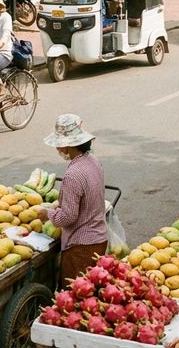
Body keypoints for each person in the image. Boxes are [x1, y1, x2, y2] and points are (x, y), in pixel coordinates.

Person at [35, 114, 107, 285]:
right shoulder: (93, 161)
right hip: (99, 238)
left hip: (81, 247)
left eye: (59, 145)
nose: (58, 149)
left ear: (67, 146)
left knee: (74, 300)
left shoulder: (73, 175)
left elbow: (68, 217)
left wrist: (47, 214)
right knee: (92, 293)